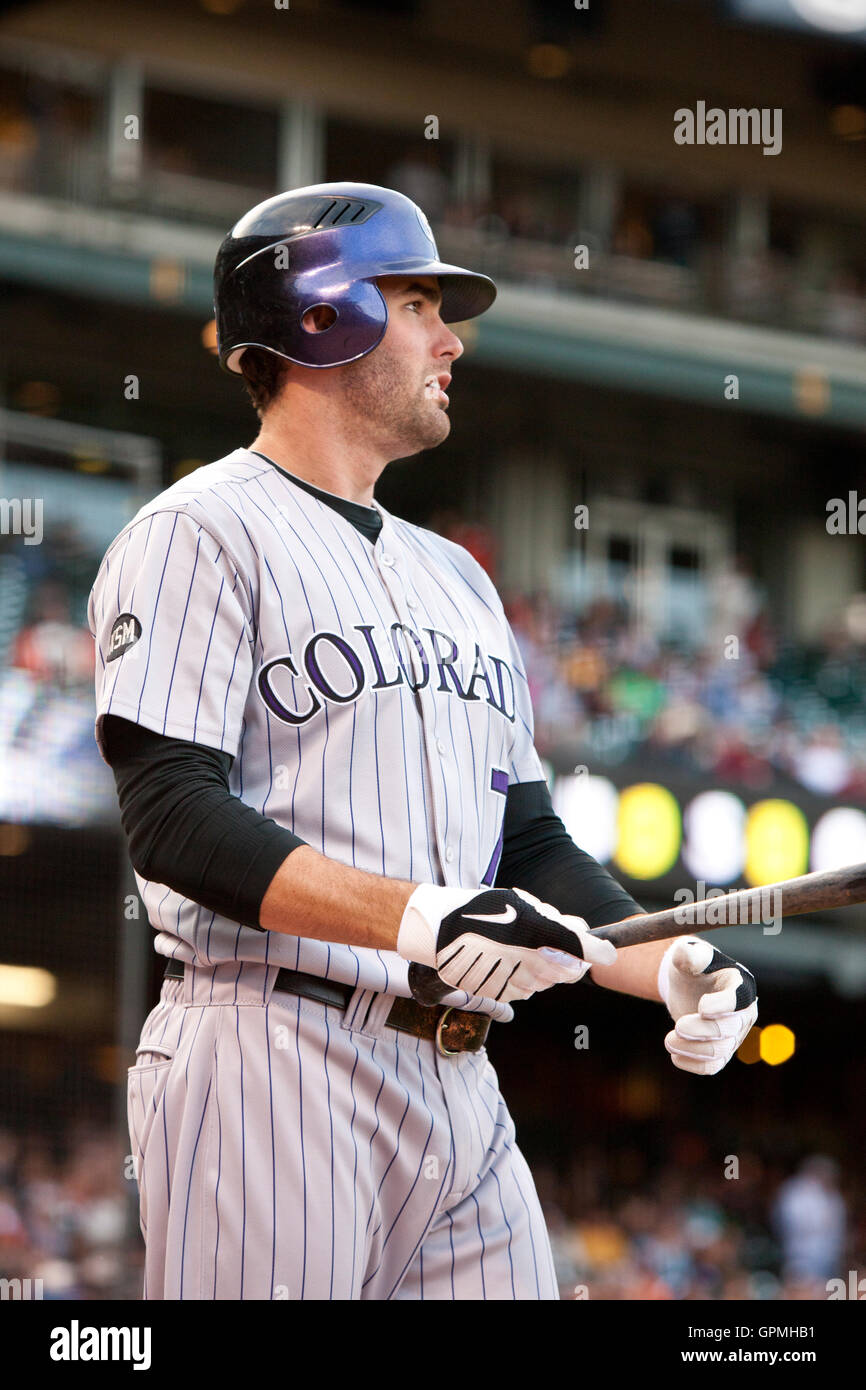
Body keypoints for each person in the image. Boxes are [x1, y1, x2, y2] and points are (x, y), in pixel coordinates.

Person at [88, 181, 758, 1301]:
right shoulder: (198, 528)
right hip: (270, 1050)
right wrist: (414, 915)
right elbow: (170, 812)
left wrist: (662, 963)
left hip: (458, 1077)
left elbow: (529, 846)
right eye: (417, 305)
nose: (452, 338)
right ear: (322, 315)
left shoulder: (459, 579)